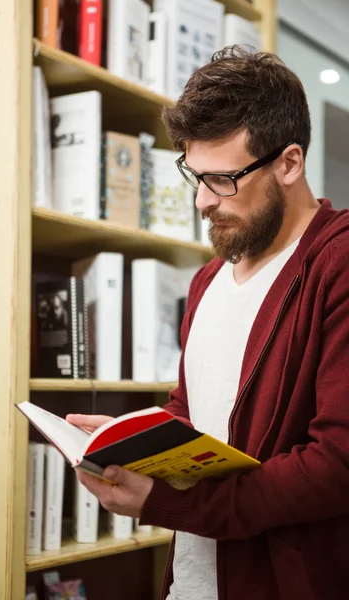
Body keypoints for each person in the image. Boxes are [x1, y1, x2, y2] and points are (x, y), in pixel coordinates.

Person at [66, 46, 349, 600]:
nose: (200, 202)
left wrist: (166, 502)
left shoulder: (337, 266)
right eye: (193, 176)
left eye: (221, 180)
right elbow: (195, 409)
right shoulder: (207, 281)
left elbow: (335, 465)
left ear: (289, 163)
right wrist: (132, 439)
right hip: (193, 582)